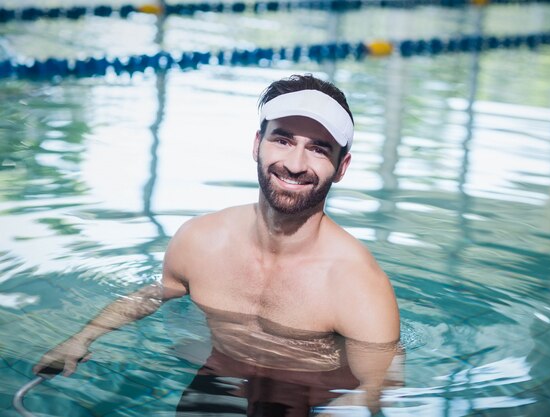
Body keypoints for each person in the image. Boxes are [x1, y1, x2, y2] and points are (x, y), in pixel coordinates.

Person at [34, 74, 401, 416]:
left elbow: (380, 382)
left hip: (301, 398)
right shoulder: (200, 240)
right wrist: (81, 338)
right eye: (283, 139)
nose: (294, 163)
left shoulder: (357, 282)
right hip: (216, 382)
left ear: (342, 166)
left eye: (318, 149)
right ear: (258, 144)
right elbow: (155, 294)